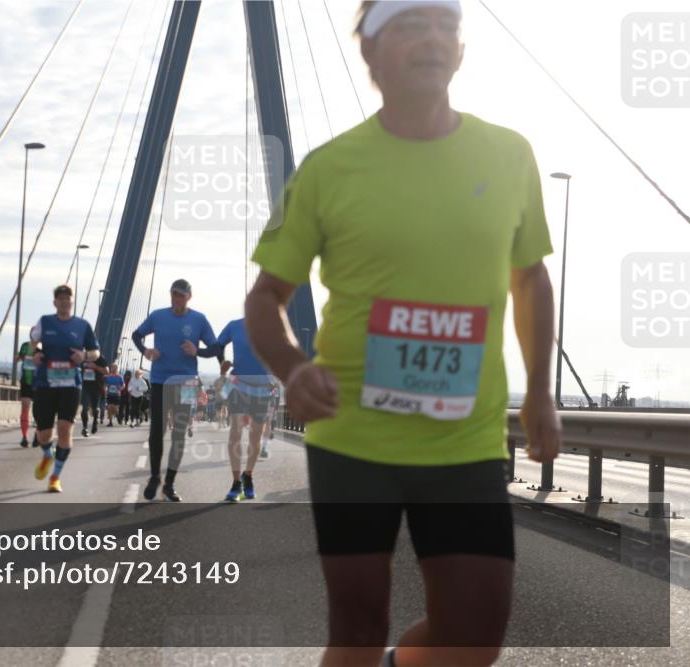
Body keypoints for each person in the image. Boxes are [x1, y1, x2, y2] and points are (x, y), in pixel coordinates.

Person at [244, 2, 562, 665]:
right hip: (355, 436)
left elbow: (529, 278)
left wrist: (541, 392)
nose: (433, 39)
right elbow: (266, 297)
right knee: (357, 627)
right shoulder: (327, 168)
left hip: (464, 436)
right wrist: (294, 366)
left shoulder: (510, 154)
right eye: (412, 25)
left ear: (463, 49)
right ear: (370, 50)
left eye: (446, 25)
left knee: (474, 634)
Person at [132, 279, 223, 502]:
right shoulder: (158, 316)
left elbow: (215, 348)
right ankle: (155, 477)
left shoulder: (199, 319)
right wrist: (146, 350)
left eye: (181, 295)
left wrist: (197, 351)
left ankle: (169, 484)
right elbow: (136, 335)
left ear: (189, 296)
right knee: (157, 431)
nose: (176, 299)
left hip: (187, 383)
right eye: (173, 294)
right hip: (161, 380)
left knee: (179, 433)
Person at [30, 285, 100, 493]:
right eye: (60, 298)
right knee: (44, 433)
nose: (64, 301)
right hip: (45, 383)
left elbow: (96, 351)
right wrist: (36, 353)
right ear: (55, 303)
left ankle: (55, 477)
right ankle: (47, 454)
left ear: (72, 302)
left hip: (71, 385)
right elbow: (34, 342)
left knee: (64, 430)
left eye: (67, 298)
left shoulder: (82, 325)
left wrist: (84, 356)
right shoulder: (45, 321)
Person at [215, 320, 276, 502]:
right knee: (235, 432)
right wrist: (222, 362)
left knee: (255, 437)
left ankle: (247, 476)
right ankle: (236, 483)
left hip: (262, 390)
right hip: (238, 387)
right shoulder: (234, 326)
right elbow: (218, 346)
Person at [15, 328, 40, 447]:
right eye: (33, 332)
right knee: (25, 407)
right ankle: (24, 437)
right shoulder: (24, 346)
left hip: (39, 383)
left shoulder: (43, 347)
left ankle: (37, 435)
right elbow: (19, 358)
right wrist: (18, 358)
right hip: (25, 381)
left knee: (38, 411)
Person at [79, 354, 108, 436]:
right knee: (84, 408)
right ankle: (85, 428)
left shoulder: (99, 358)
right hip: (85, 386)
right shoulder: (82, 358)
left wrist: (96, 367)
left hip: (96, 387)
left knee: (95, 409)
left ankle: (95, 421)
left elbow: (106, 371)